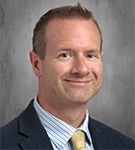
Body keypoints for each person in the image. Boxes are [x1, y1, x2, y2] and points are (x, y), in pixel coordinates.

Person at [0, 3, 135, 150]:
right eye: (65, 55)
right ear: (37, 64)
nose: (82, 69)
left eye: (90, 55)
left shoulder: (124, 145)